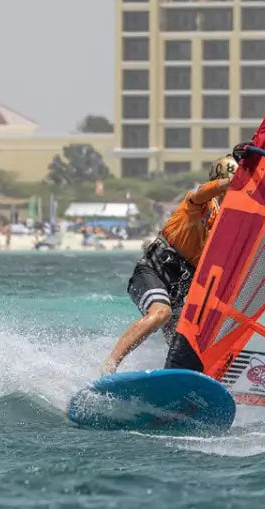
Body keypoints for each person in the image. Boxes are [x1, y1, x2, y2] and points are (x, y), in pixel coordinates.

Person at [100, 153, 240, 375]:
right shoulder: (198, 204)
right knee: (160, 313)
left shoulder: (228, 224)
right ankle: (109, 366)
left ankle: (180, 389)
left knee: (190, 349)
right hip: (152, 272)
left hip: (179, 292)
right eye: (229, 187)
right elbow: (201, 193)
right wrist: (231, 182)